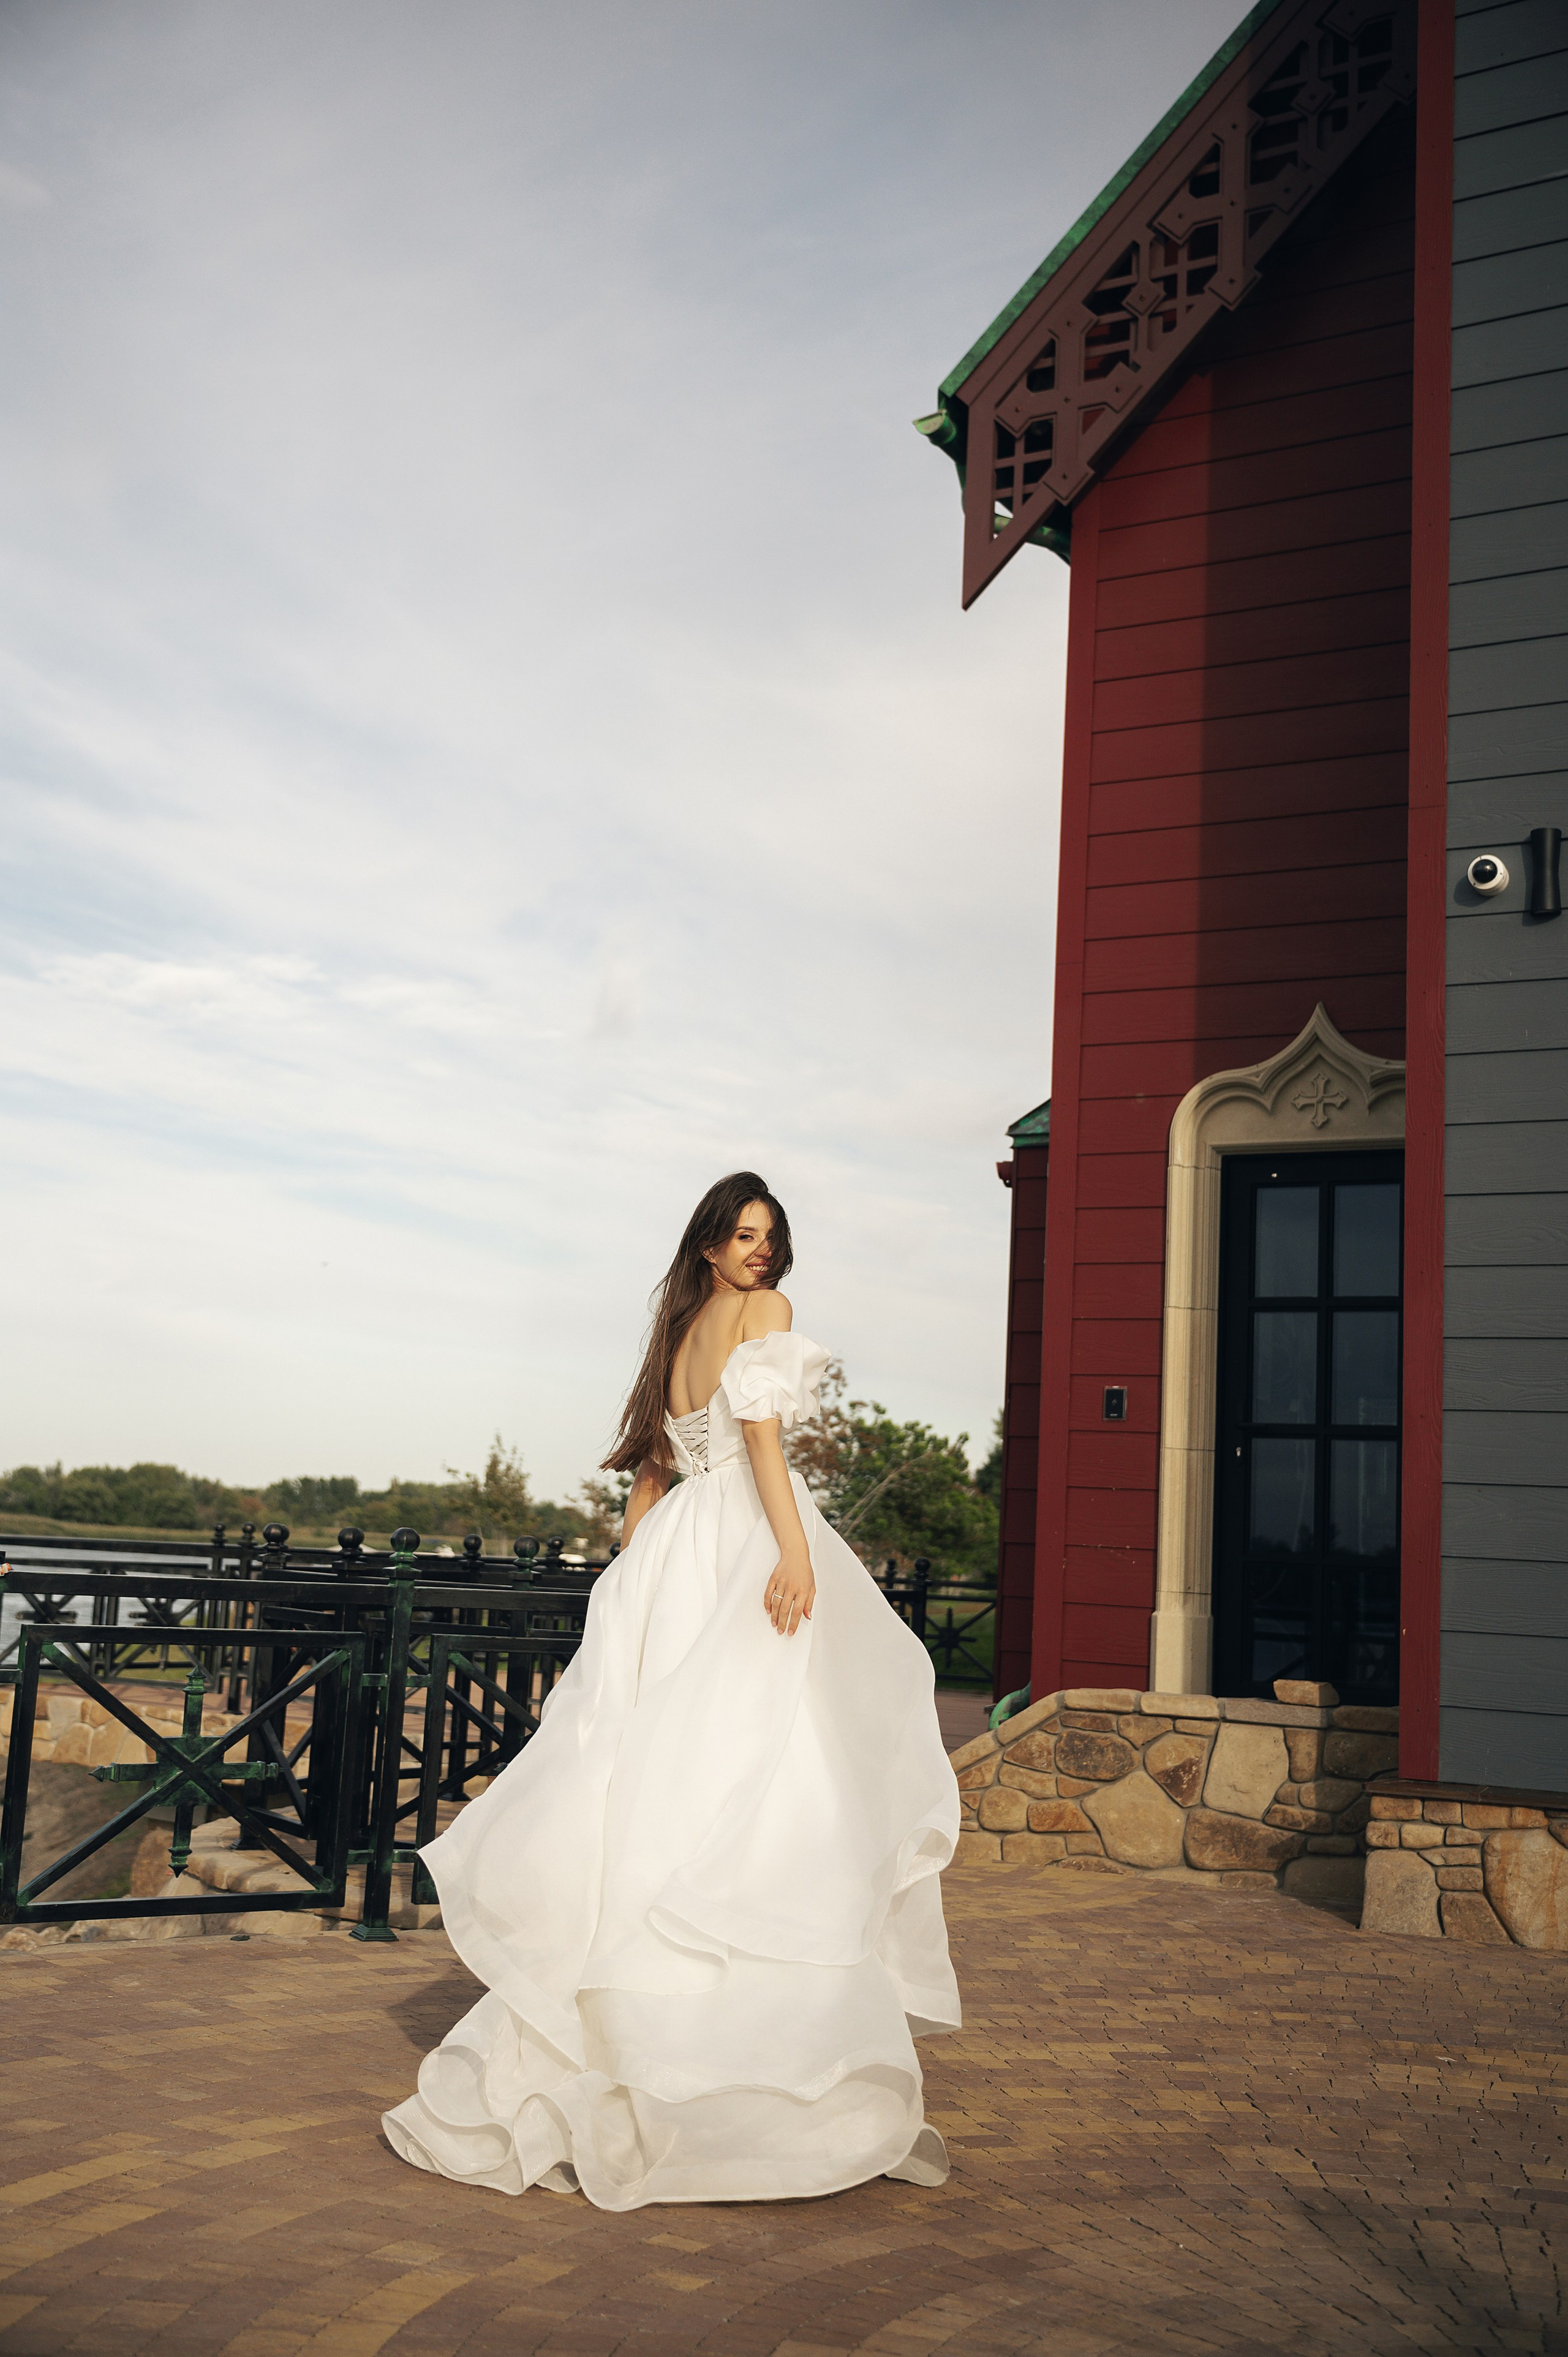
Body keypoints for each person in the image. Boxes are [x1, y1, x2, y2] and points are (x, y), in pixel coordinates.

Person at [382, 1172, 960, 2210]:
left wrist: (633, 1588)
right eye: (744, 1238)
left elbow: (650, 1481)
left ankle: (619, 2039)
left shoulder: (676, 1333)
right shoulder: (761, 1317)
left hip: (678, 1555)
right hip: (740, 1540)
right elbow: (764, 1447)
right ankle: (746, 2080)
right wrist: (795, 1555)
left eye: (771, 1242)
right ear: (710, 1244)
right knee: (770, 1779)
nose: (761, 1257)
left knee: (663, 1777)